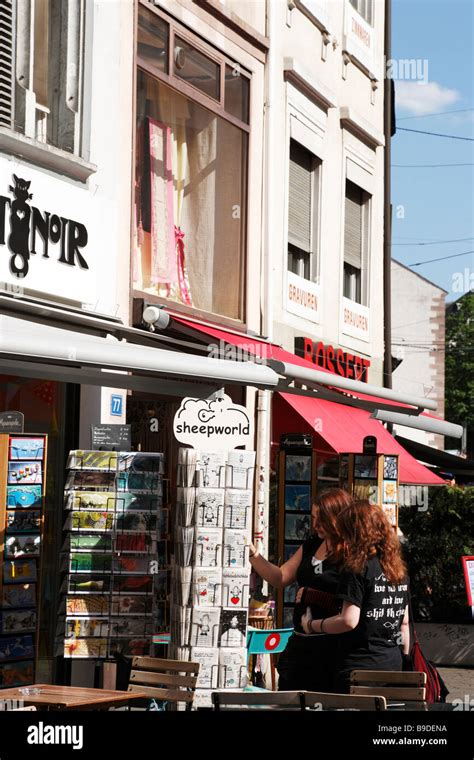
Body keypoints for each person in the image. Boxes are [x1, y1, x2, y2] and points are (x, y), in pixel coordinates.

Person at [249, 488, 353, 692]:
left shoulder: (351, 555)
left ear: (337, 518)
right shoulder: (312, 544)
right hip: (300, 643)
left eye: (321, 519)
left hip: (330, 648)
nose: (315, 525)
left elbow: (352, 606)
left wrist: (315, 596)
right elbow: (280, 577)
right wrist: (253, 554)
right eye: (313, 518)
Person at [300, 500, 410, 693]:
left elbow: (348, 620)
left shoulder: (357, 568)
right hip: (392, 664)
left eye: (345, 531)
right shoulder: (398, 571)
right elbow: (404, 623)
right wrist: (404, 656)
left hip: (358, 668)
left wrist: (311, 625)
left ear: (355, 533)